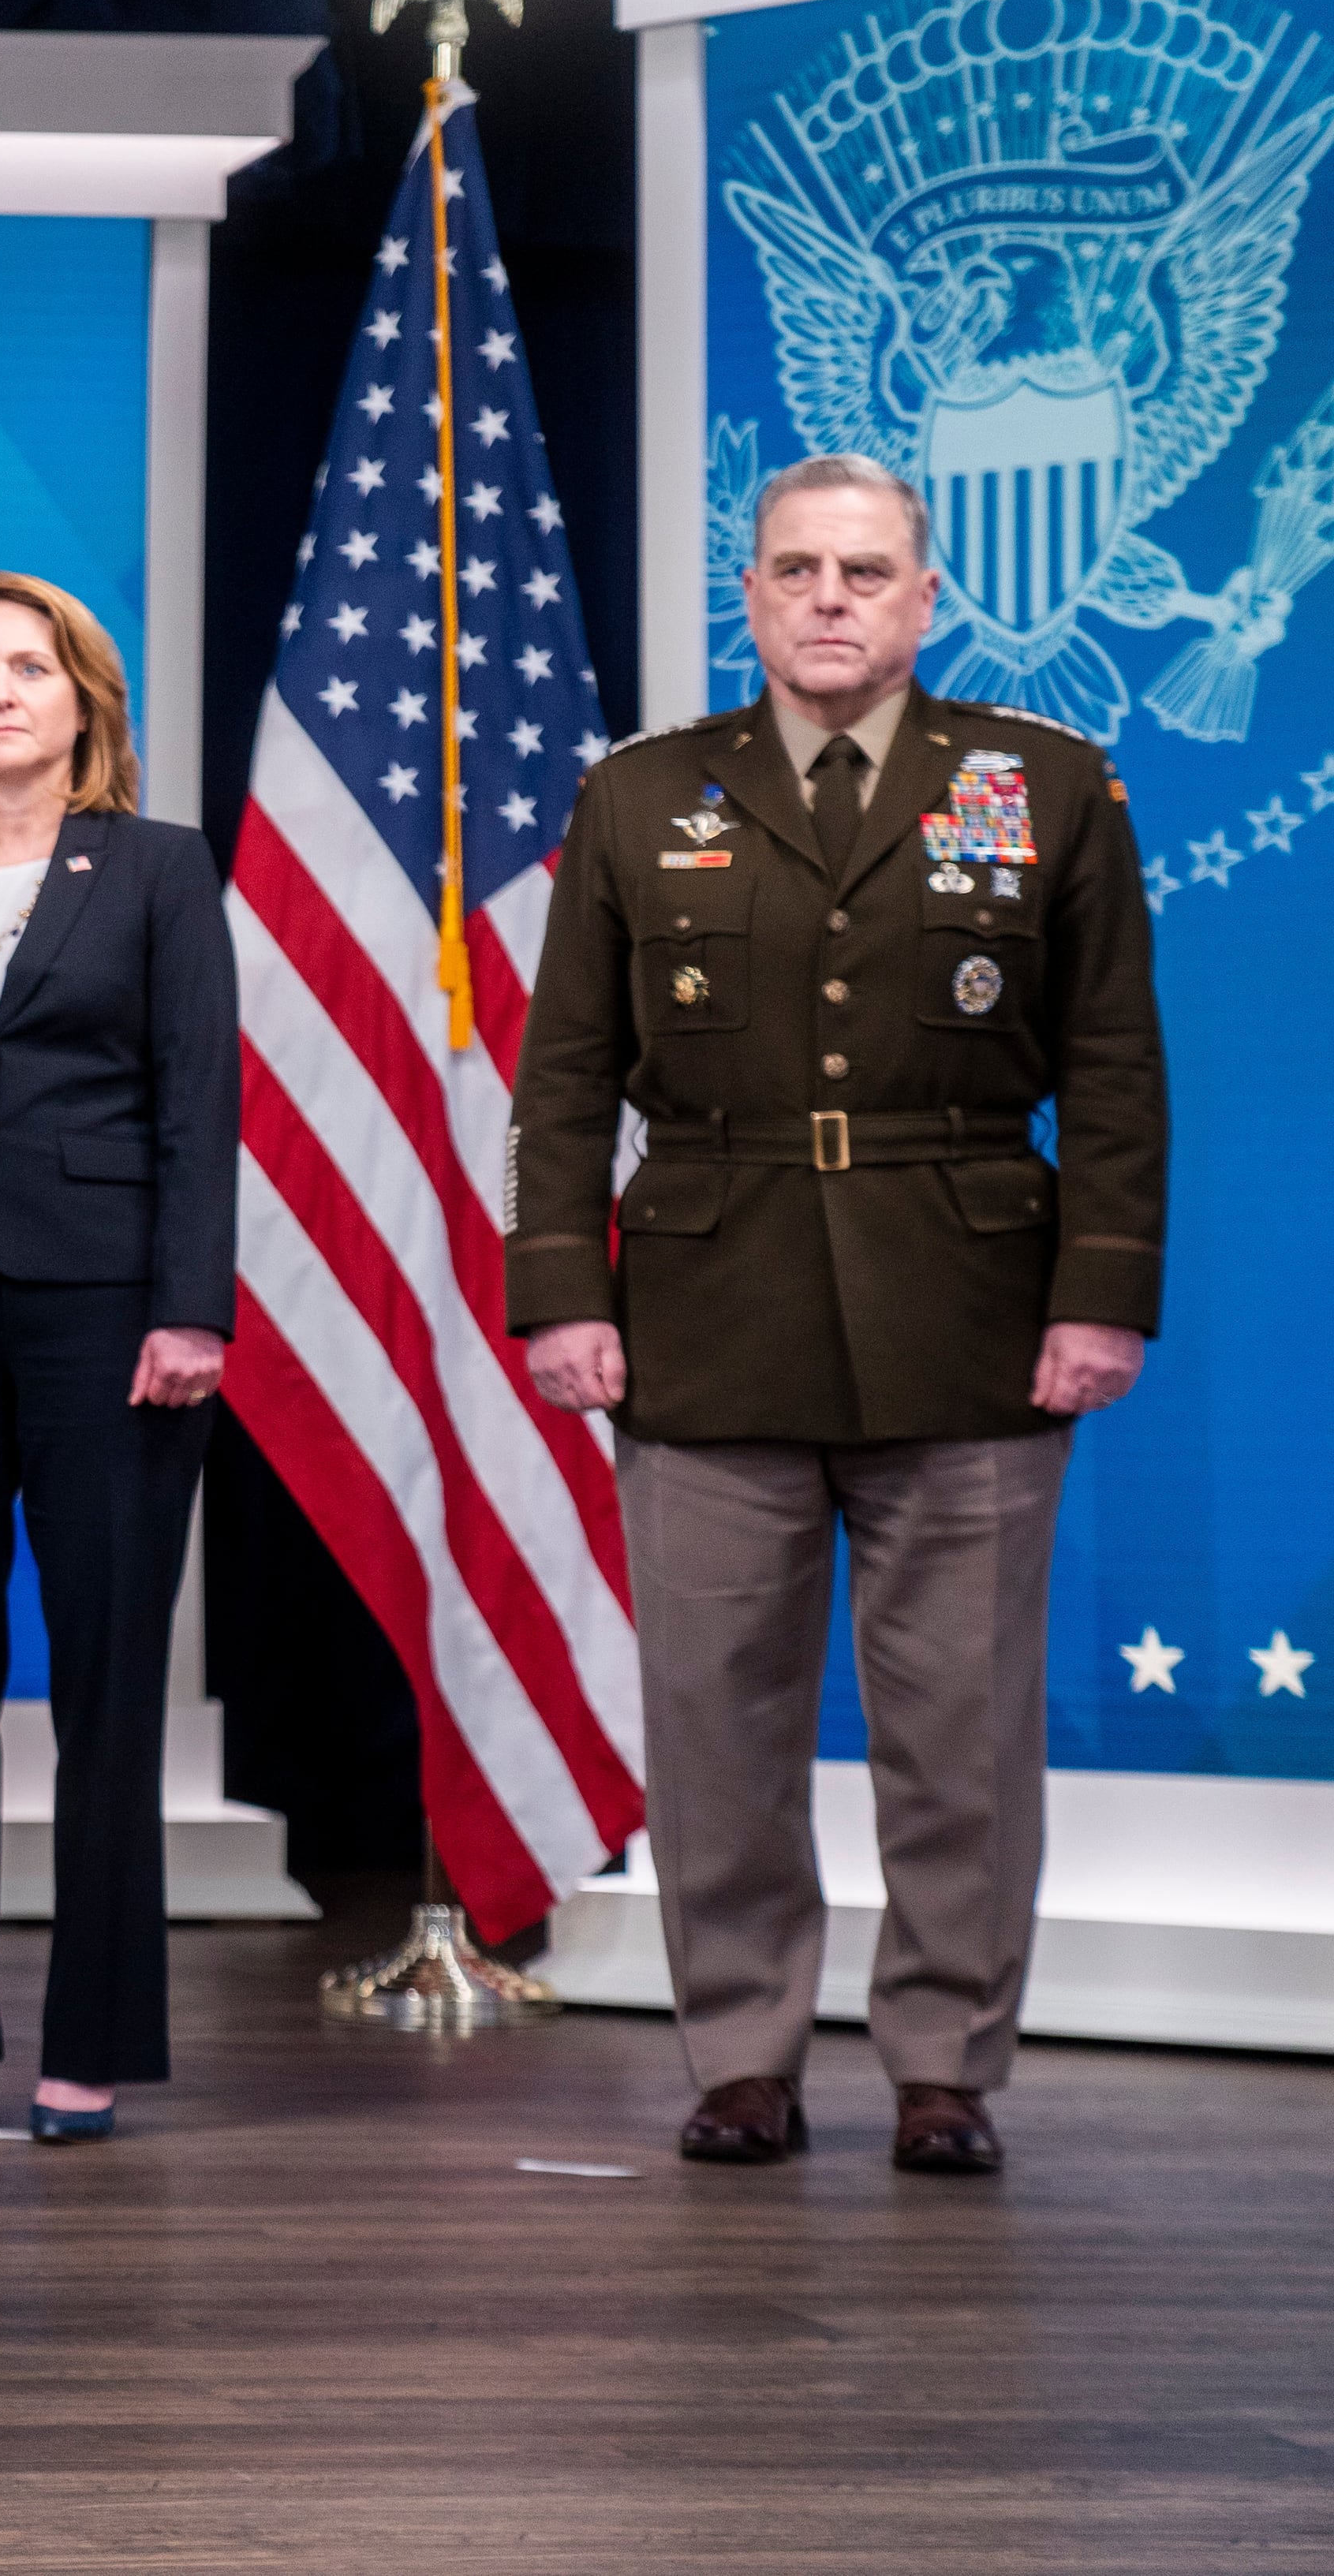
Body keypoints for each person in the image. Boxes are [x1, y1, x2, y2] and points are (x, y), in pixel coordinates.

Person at [505, 454, 1167, 2177]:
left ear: (925, 598)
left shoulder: (1043, 786)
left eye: (862, 571)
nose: (825, 597)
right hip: (707, 1314)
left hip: (968, 1306)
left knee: (961, 1731)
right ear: (749, 594)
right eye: (793, 567)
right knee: (714, 1720)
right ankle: (741, 2054)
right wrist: (561, 1291)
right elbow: (564, 1073)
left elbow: (1109, 1068)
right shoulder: (644, 796)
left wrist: (1101, 1295)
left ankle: (944, 2061)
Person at [0, 573, 234, 2145]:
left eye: (30, 668)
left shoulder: (156, 868)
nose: (0, 693)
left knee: (102, 1689)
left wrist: (192, 1306)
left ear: (84, 697)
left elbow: (197, 1096)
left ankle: (89, 2045)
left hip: (111, 1318)